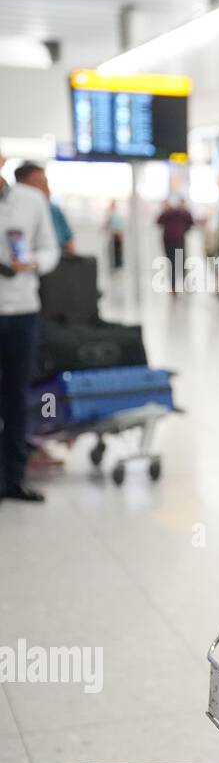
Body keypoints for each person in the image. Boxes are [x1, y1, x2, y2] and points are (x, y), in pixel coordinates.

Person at [0, 153, 59, 504]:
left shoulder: (31, 200)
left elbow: (49, 248)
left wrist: (33, 262)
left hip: (22, 309)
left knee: (17, 396)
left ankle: (14, 478)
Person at [14, 164, 74, 256]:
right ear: (21, 187)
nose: (47, 190)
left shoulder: (54, 211)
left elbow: (70, 246)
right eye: (39, 184)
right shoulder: (10, 211)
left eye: (46, 183)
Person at [157, 197, 195, 297]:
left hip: (172, 241)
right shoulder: (181, 213)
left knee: (174, 263)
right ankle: (180, 284)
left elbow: (158, 221)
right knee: (178, 263)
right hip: (176, 241)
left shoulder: (170, 213)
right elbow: (191, 223)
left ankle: (176, 286)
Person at [105, 200, 125, 272]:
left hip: (116, 236)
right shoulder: (116, 214)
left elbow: (107, 224)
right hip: (117, 235)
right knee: (116, 251)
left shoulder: (113, 214)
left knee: (116, 252)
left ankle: (116, 267)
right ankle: (116, 267)